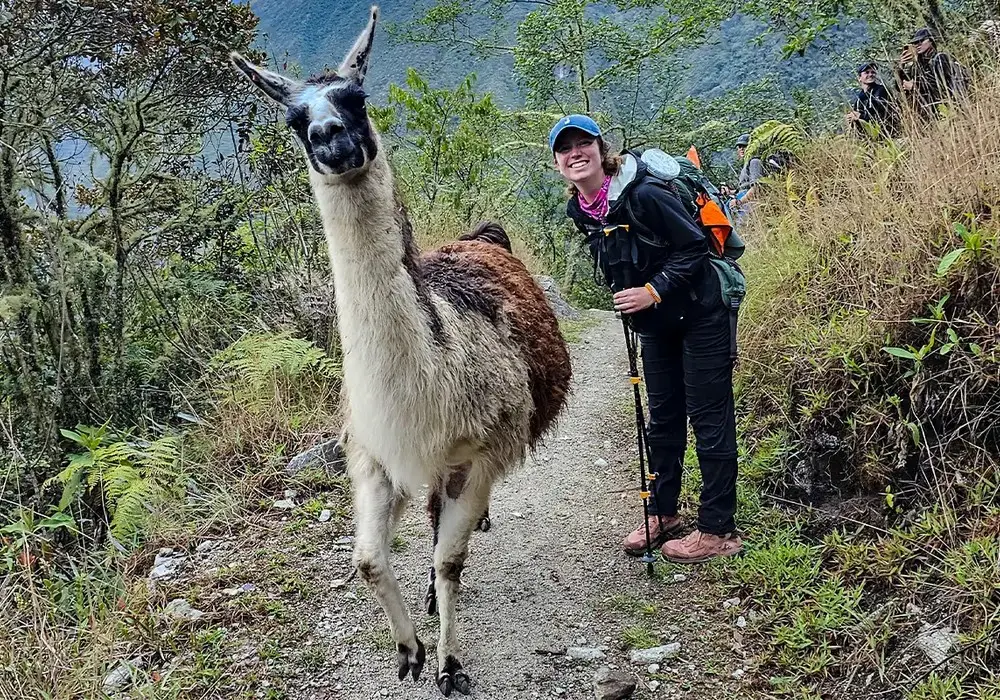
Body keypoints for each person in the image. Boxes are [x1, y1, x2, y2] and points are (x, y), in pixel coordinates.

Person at [548, 114, 743, 564]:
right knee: (662, 418)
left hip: (701, 309)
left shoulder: (645, 194)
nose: (575, 154)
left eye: (583, 144)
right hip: (656, 323)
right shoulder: (582, 209)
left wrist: (652, 290)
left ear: (602, 150)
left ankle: (718, 529)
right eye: (565, 149)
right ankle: (663, 512)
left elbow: (694, 247)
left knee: (708, 414)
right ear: (557, 162)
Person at [897, 27, 967, 120]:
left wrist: (915, 86)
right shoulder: (920, 65)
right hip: (937, 112)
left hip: (952, 107)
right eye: (914, 43)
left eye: (921, 41)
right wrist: (900, 67)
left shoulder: (940, 58)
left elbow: (939, 85)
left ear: (931, 41)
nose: (917, 45)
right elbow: (899, 87)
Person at [847, 62, 901, 138]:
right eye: (866, 72)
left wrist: (861, 116)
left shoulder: (881, 91)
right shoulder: (860, 98)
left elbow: (885, 115)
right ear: (859, 78)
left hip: (886, 134)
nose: (870, 74)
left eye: (873, 72)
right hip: (869, 136)